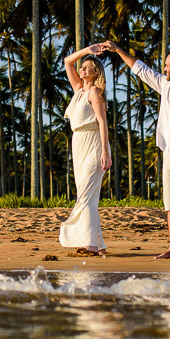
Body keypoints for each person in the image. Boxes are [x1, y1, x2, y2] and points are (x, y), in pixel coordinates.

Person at [99, 41, 170, 260]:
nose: (164, 69)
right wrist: (118, 50)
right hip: (169, 154)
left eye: (167, 65)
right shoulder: (166, 85)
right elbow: (140, 69)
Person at [59, 44, 113, 256]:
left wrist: (105, 152)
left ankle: (89, 243)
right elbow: (67, 61)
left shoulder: (95, 92)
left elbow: (102, 122)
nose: (83, 69)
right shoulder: (78, 90)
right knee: (86, 195)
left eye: (88, 66)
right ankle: (97, 244)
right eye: (82, 67)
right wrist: (88, 49)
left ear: (96, 72)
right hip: (78, 143)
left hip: (94, 143)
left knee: (86, 195)